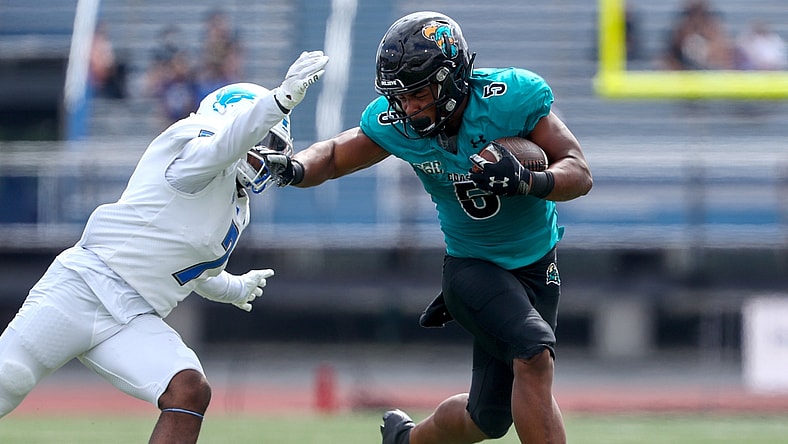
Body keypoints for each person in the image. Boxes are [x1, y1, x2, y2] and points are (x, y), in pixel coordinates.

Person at [263, 11, 591, 444]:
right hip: (472, 268)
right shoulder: (400, 123)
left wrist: (529, 180)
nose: (409, 107)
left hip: (537, 266)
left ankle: (406, 441)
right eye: (400, 97)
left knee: (487, 418)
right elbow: (337, 153)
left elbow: (579, 172)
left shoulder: (510, 98)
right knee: (534, 354)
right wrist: (293, 167)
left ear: (452, 78)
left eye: (418, 94)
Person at [0, 50, 328, 443]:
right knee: (7, 381)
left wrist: (235, 287)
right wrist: (278, 101)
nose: (263, 152)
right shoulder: (191, 148)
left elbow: (197, 272)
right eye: (259, 137)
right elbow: (224, 146)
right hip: (81, 288)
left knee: (189, 389)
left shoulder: (237, 208)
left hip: (134, 316)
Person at [662, 0, 734, 70]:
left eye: (699, 12)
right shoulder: (680, 28)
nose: (696, 17)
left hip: (710, 70)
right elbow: (670, 55)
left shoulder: (713, 28)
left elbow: (722, 55)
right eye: (693, 12)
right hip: (684, 71)